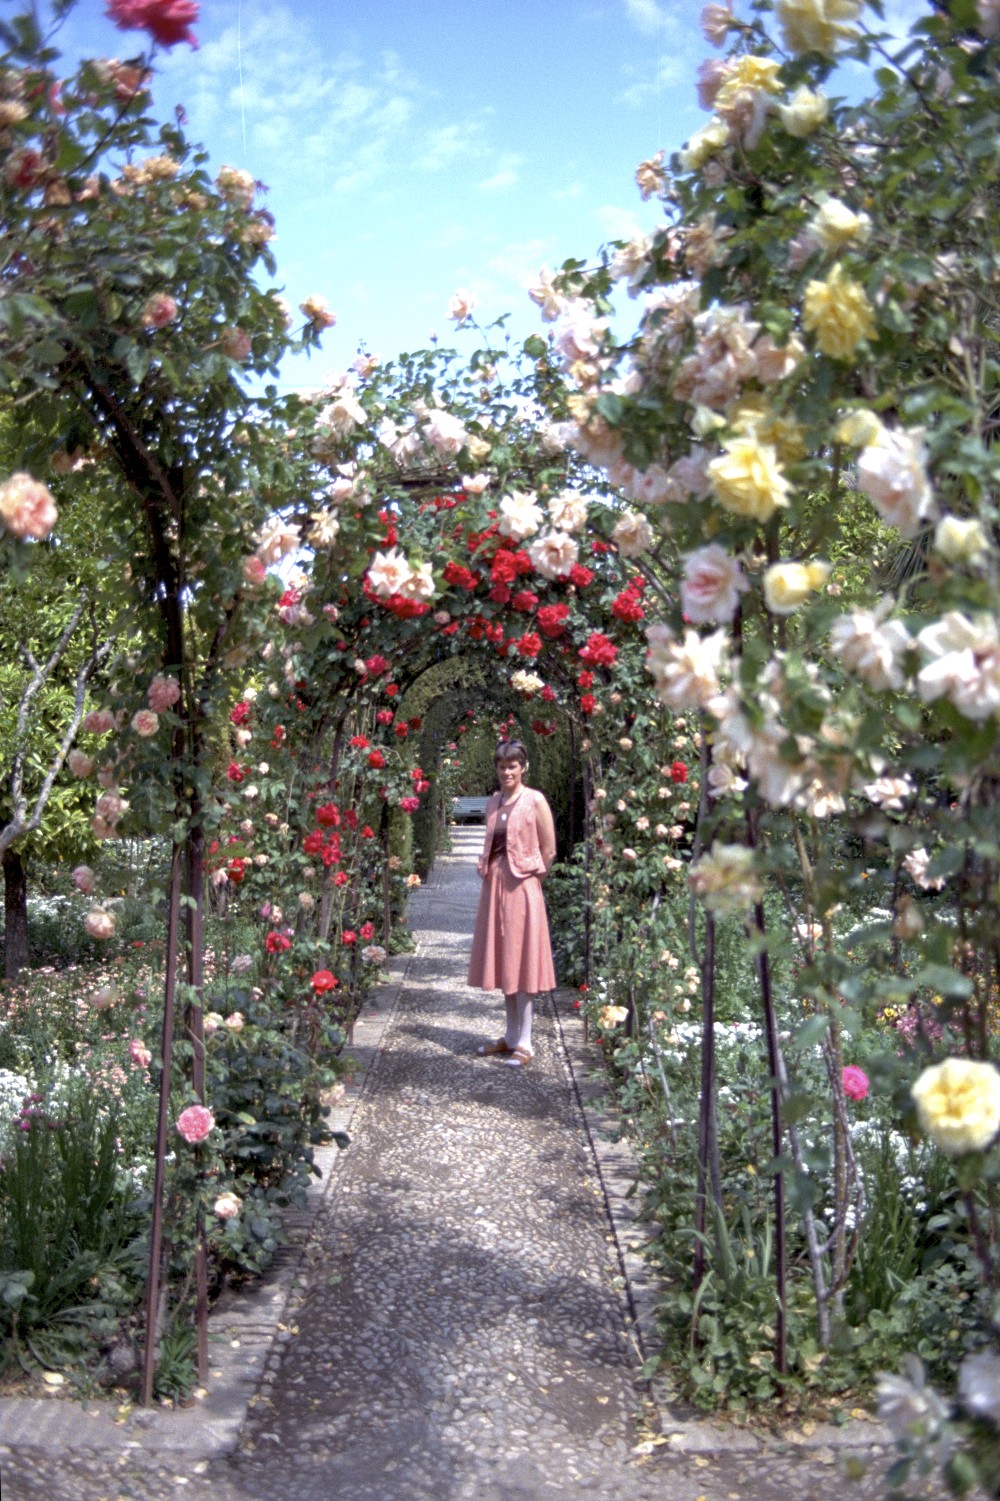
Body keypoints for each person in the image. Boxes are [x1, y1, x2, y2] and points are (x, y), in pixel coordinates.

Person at [467, 739, 557, 1068]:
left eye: (513, 766)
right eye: (502, 766)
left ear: (523, 767)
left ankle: (526, 1041)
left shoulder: (535, 801)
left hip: (524, 887)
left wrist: (533, 883)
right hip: (495, 888)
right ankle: (509, 1034)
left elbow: (549, 850)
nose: (507, 772)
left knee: (524, 962)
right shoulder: (494, 802)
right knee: (505, 959)